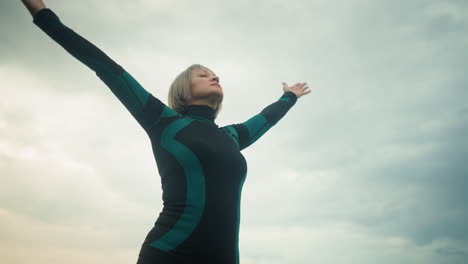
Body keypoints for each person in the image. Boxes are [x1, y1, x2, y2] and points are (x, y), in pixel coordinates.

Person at [21, 1, 311, 263]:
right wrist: (43, 15)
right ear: (184, 89)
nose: (214, 76)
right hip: (170, 254)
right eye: (203, 74)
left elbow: (266, 118)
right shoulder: (163, 121)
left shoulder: (232, 137)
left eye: (214, 73)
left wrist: (289, 96)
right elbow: (105, 66)